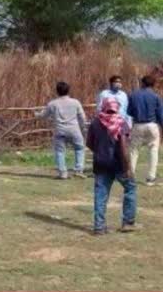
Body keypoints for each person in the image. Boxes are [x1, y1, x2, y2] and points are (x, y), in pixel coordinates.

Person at [87, 98, 137, 234]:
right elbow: (123, 147)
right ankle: (128, 222)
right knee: (130, 187)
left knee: (101, 194)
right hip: (118, 163)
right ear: (117, 108)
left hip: (101, 163)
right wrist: (128, 168)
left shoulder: (95, 122)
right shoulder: (121, 122)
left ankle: (99, 226)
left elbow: (89, 143)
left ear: (103, 107)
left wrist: (99, 152)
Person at [35, 81, 87, 179]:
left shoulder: (53, 104)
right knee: (79, 148)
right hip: (74, 129)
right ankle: (78, 170)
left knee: (60, 151)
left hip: (60, 130)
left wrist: (36, 114)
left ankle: (62, 172)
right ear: (68, 90)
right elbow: (82, 117)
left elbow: (43, 115)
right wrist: (83, 127)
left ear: (57, 91)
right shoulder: (75, 102)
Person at [127, 75, 163, 186]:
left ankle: (131, 176)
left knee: (134, 151)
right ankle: (150, 178)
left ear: (142, 83)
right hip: (152, 125)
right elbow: (160, 114)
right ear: (153, 84)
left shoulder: (133, 95)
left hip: (138, 124)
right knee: (153, 151)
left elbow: (129, 111)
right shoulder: (156, 97)